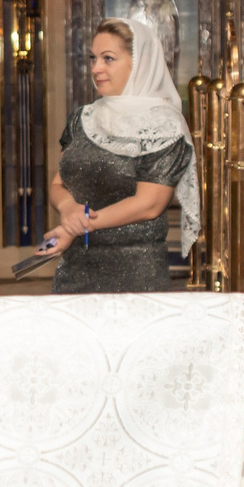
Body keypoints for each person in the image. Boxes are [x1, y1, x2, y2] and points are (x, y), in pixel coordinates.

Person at [40, 15, 199, 294]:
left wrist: (77, 226)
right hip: (74, 270)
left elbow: (149, 204)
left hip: (135, 274)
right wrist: (68, 209)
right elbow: (58, 183)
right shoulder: (84, 118)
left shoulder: (163, 124)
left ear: (138, 64)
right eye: (93, 58)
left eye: (108, 58)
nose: (96, 68)